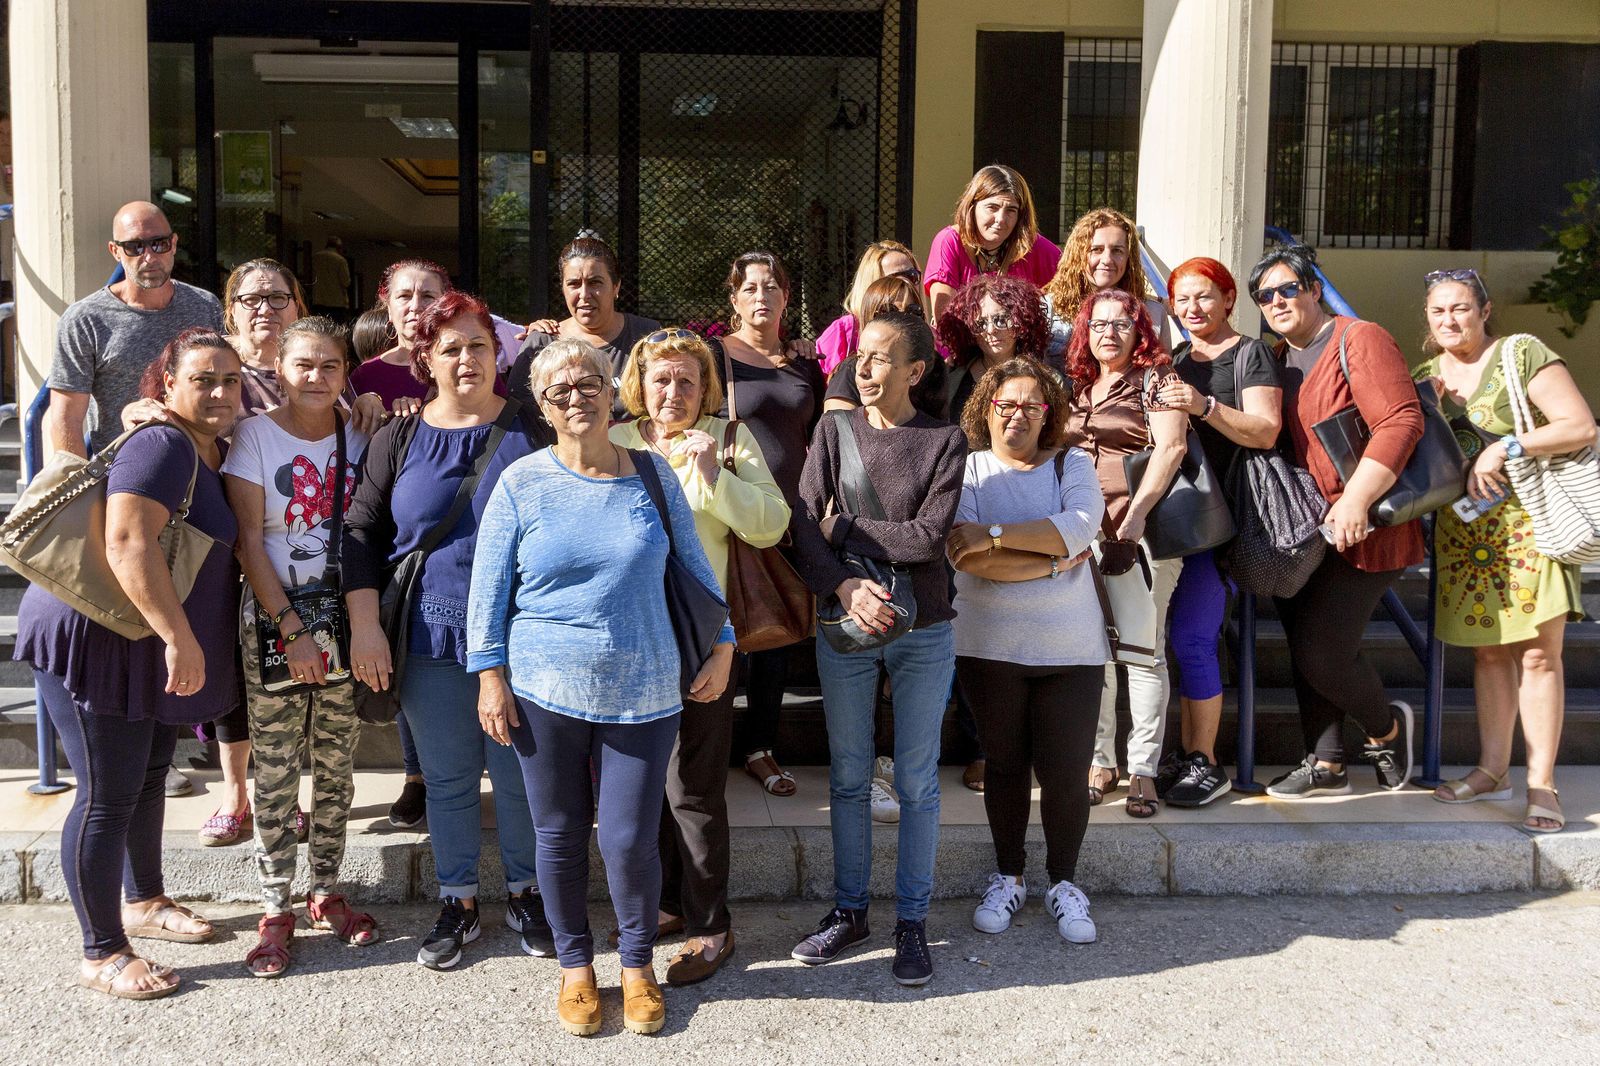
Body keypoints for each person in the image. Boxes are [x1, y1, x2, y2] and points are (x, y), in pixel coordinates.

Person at [468, 338, 734, 1035]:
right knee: (557, 834)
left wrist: (725, 644)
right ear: (542, 404)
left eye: (588, 382)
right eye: (560, 389)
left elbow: (697, 570)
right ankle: (576, 967)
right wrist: (489, 674)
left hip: (646, 685)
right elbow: (487, 590)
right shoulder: (522, 482)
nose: (577, 397)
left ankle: (639, 966)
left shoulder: (650, 475)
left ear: (610, 390)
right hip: (542, 688)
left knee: (628, 838)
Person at [15, 329, 243, 999]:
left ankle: (144, 900)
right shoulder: (163, 444)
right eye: (203, 379)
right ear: (165, 385)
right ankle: (102, 949)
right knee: (105, 795)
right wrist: (180, 637)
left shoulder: (205, 448)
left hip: (137, 635)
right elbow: (127, 542)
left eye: (230, 380)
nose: (220, 391)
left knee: (146, 775)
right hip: (95, 635)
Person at [344, 291, 557, 968]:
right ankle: (459, 900)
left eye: (479, 346)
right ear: (425, 359)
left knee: (521, 773)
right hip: (428, 635)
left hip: (522, 635)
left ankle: (527, 893)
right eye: (451, 348)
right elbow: (358, 530)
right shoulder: (398, 436)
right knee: (448, 776)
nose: (467, 359)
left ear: (500, 356)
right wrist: (364, 625)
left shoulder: (535, 428)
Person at [789, 310, 967, 987]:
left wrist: (847, 528)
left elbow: (926, 540)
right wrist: (842, 586)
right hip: (846, 624)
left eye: (880, 358)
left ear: (914, 371)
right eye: (860, 356)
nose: (862, 368)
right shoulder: (833, 432)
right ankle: (850, 912)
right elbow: (804, 526)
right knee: (848, 776)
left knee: (918, 782)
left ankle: (912, 923)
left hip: (925, 628)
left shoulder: (946, 441)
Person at [610, 327, 790, 985]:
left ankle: (712, 925)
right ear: (640, 385)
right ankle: (665, 906)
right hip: (627, 645)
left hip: (702, 646)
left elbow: (772, 525)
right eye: (662, 378)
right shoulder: (617, 442)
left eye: (688, 380)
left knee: (693, 789)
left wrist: (714, 474)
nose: (675, 391)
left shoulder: (728, 441)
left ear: (706, 387)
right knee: (641, 787)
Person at [45, 201, 223, 801]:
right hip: (123, 491)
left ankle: (170, 736)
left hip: (194, 489)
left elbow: (220, 387)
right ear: (114, 254)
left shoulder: (203, 307)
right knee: (135, 617)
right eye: (135, 246)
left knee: (181, 613)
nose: (149, 256)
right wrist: (73, 498)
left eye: (160, 243)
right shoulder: (87, 318)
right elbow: (65, 415)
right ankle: (139, 754)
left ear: (175, 244)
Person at [223, 316, 378, 977]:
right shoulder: (253, 436)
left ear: (345, 374)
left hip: (344, 618)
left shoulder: (360, 433)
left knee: (337, 767)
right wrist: (291, 629)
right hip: (274, 620)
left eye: (330, 367)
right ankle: (273, 905)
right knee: (279, 767)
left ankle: (325, 891)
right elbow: (249, 542)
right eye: (304, 365)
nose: (316, 377)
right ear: (279, 369)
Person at [1416, 269, 1595, 832]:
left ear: (1484, 310)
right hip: (1466, 537)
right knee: (1489, 653)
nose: (1450, 320)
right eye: (1439, 311)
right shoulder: (1425, 375)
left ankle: (1542, 783)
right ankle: (1492, 769)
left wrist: (1507, 448)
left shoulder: (1522, 355)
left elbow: (1581, 426)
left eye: (1461, 308)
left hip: (1532, 524)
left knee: (1540, 656)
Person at [1249, 244, 1422, 799]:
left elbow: (1400, 421)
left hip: (1365, 526)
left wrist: (1355, 501)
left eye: (1286, 289)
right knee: (1304, 641)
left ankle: (1387, 730)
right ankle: (1326, 762)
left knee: (1322, 649)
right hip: (1302, 529)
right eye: (1264, 296)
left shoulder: (1357, 338)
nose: (1276, 301)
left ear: (1314, 289)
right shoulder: (1277, 356)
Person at [946, 358, 1106, 944]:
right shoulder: (967, 470)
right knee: (1005, 768)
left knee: (1066, 774)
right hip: (988, 644)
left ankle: (1064, 883)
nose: (1017, 415)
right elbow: (962, 556)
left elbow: (1081, 525)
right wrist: (1054, 560)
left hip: (1072, 648)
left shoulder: (1074, 462)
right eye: (1005, 404)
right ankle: (1009, 876)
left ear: (1049, 416)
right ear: (985, 409)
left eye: (1031, 406)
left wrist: (995, 537)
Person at [1147, 258, 1282, 807]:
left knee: (1194, 639)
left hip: (1228, 526)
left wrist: (1204, 406)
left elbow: (1266, 431)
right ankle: (1178, 757)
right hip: (1182, 522)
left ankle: (1205, 761)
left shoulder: (1251, 353)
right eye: (1182, 300)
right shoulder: (1175, 360)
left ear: (1229, 299)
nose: (1192, 309)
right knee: (1168, 640)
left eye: (1205, 297)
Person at [1060, 289, 1187, 818]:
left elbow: (1172, 448)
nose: (1108, 333)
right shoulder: (1080, 386)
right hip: (1084, 538)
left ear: (1140, 332)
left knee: (1142, 654)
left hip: (1140, 535)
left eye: (1120, 324)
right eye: (1097, 324)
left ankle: (1142, 772)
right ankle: (1099, 762)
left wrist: (1133, 520)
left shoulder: (1157, 380)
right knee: (1096, 654)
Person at [712, 251, 826, 800]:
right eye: (751, 288)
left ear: (786, 298)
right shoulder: (716, 356)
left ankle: (760, 746)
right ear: (734, 299)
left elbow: (823, 433)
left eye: (772, 288)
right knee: (729, 626)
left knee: (776, 628)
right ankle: (709, 745)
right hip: (734, 509)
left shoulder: (805, 362)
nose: (762, 297)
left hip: (792, 513)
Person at [507, 236, 661, 419]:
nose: (584, 294)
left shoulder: (647, 336)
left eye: (595, 283)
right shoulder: (542, 342)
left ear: (616, 286)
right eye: (574, 284)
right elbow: (520, 413)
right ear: (562, 289)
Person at [924, 165, 1061, 323]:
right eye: (992, 208)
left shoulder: (1031, 245)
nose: (1001, 219)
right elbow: (945, 319)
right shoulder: (949, 241)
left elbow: (1072, 279)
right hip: (959, 344)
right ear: (972, 207)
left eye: (1011, 210)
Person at [1042, 207, 1171, 359]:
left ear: (1130, 258)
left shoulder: (1152, 314)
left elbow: (1163, 372)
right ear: (1078, 256)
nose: (1107, 260)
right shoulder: (1048, 308)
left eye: (1117, 251)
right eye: (1096, 250)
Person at [936, 273, 1056, 425]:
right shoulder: (951, 377)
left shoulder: (1046, 380)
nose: (991, 330)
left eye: (1001, 320)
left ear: (1021, 322)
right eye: (980, 324)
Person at [350, 258, 451, 418]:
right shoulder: (365, 376)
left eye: (427, 296)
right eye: (405, 296)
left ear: (444, 306)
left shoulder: (466, 366)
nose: (416, 306)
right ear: (389, 308)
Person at [817, 240, 922, 377]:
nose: (905, 284)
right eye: (893, 279)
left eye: (911, 275)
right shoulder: (844, 331)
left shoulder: (927, 332)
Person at [311, 236, 353, 320]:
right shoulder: (340, 260)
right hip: (336, 303)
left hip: (318, 300)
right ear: (339, 247)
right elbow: (346, 282)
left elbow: (311, 277)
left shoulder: (316, 257)